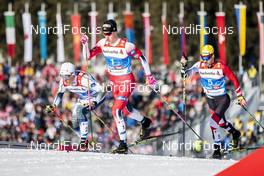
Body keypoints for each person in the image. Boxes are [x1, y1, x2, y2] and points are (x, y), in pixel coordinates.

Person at [81, 19, 157, 154]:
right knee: (126, 110)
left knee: (116, 110)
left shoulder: (126, 46)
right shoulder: (102, 43)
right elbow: (88, 56)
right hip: (114, 81)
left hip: (127, 80)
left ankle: (123, 144)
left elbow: (143, 58)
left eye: (109, 33)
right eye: (105, 33)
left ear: (115, 31)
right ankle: (145, 121)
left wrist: (149, 76)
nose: (107, 36)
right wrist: (85, 44)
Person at [180, 44, 247, 159]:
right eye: (203, 57)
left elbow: (233, 78)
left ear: (213, 56)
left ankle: (217, 149)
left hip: (223, 99)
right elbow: (184, 75)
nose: (205, 60)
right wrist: (183, 65)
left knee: (212, 122)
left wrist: (240, 95)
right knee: (220, 123)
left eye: (207, 57)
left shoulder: (221, 66)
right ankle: (235, 133)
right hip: (210, 100)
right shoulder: (199, 65)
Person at [45, 62, 105, 152]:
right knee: (74, 123)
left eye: (67, 76)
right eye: (62, 76)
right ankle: (85, 140)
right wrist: (54, 106)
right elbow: (60, 93)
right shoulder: (63, 81)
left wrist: (94, 102)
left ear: (73, 75)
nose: (64, 79)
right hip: (83, 98)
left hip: (96, 97)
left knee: (80, 111)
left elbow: (102, 90)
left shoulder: (83, 79)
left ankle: (83, 142)